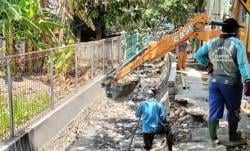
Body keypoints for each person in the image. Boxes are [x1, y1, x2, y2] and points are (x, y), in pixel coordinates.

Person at [195, 18, 250, 146]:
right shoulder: (237, 43)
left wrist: (207, 64)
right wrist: (247, 80)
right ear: (234, 30)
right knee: (234, 110)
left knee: (213, 110)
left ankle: (213, 139)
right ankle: (232, 136)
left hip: (214, 82)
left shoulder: (211, 42)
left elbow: (198, 55)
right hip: (232, 85)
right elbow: (243, 64)